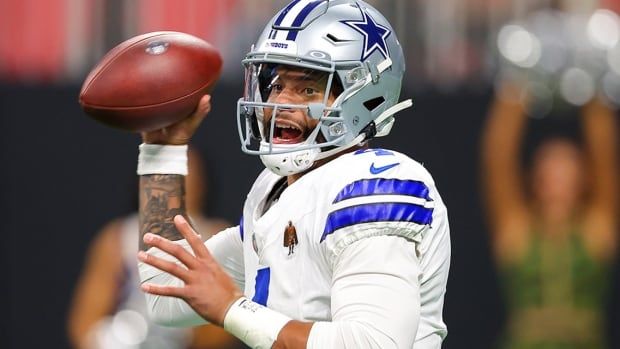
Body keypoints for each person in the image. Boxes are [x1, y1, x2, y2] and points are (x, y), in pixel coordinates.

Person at [135, 1, 451, 348]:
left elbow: (373, 343)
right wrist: (161, 154)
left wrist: (231, 308)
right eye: (276, 85)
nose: (280, 103)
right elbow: (166, 295)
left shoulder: (374, 186)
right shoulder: (273, 190)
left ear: (364, 96)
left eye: (307, 89)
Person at [482, 82, 618, 348]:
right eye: (550, 164)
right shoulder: (518, 232)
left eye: (567, 164)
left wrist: (591, 81)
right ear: (536, 178)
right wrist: (518, 82)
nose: (559, 173)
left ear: (583, 176)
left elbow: (605, 153)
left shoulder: (595, 232)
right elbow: (498, 157)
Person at [68, 149, 246, 349]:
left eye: (183, 174)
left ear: (201, 183)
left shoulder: (218, 237)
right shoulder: (117, 238)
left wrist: (182, 336)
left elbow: (226, 323)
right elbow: (85, 322)